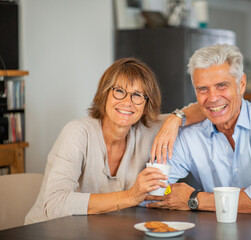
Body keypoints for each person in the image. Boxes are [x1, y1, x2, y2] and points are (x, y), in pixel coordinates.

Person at [25, 58, 204, 224]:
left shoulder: (148, 130)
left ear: (145, 106)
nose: (127, 102)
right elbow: (55, 204)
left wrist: (175, 119)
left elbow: (207, 107)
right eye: (119, 91)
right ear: (104, 95)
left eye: (137, 95)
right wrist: (131, 196)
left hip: (101, 230)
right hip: (48, 231)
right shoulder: (77, 132)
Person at [145, 44, 251, 214]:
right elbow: (151, 192)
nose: (213, 98)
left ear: (241, 84)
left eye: (221, 86)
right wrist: (168, 193)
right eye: (203, 89)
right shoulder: (191, 135)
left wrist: (194, 199)